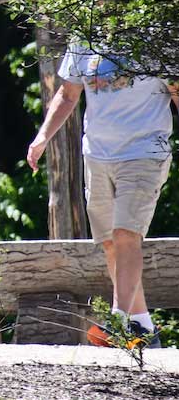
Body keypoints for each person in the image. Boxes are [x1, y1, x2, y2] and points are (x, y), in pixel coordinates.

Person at [27, 45, 173, 347]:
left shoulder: (152, 35)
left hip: (145, 151)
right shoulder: (84, 35)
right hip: (97, 155)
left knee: (126, 234)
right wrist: (42, 137)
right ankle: (143, 327)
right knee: (109, 242)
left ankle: (118, 322)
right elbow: (68, 95)